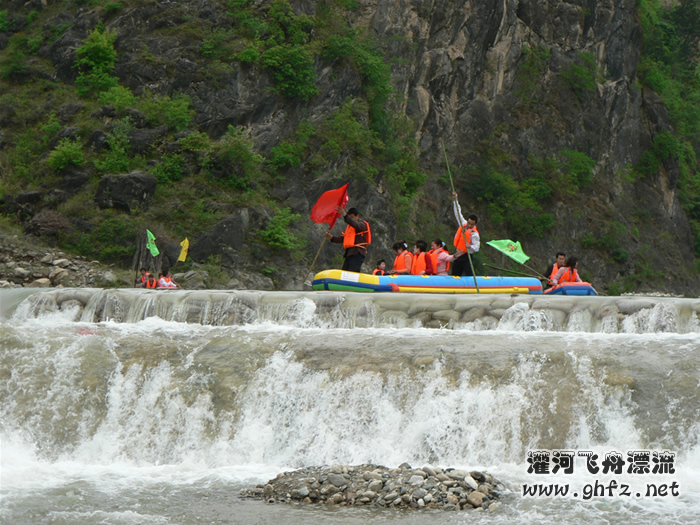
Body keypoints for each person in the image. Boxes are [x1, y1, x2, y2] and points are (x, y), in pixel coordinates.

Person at [325, 206, 372, 273]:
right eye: (349, 218)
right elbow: (344, 238)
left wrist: (345, 215)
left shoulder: (362, 225)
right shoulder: (351, 228)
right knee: (345, 272)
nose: (351, 219)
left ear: (357, 216)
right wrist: (332, 237)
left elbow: (354, 224)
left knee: (353, 272)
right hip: (350, 253)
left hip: (358, 252)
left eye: (352, 217)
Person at [451, 192, 480, 276]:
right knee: (455, 274)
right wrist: (455, 200)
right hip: (458, 253)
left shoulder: (474, 234)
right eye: (469, 223)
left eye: (472, 224)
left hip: (467, 256)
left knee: (469, 274)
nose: (469, 225)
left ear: (475, 224)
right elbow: (458, 213)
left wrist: (470, 246)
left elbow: (477, 247)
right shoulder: (463, 224)